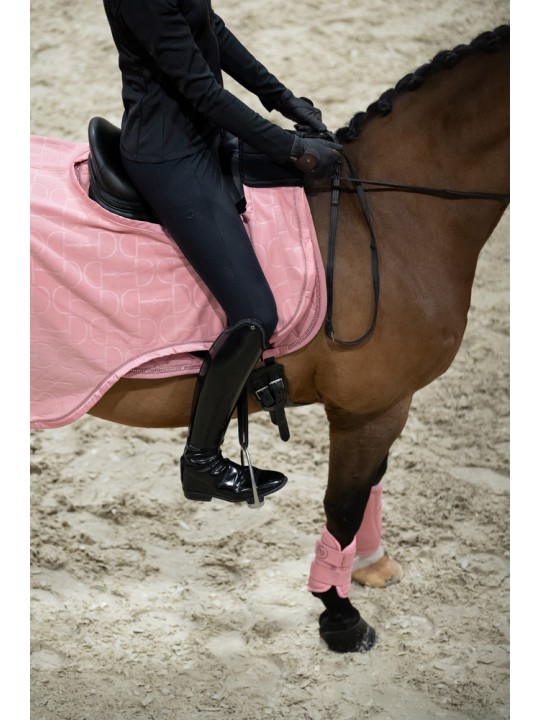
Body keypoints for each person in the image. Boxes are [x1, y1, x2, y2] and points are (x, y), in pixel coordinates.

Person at [102, 0, 342, 506]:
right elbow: (200, 88)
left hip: (205, 134)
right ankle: (202, 462)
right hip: (171, 155)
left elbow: (210, 28)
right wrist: (288, 147)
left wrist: (285, 102)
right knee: (255, 313)